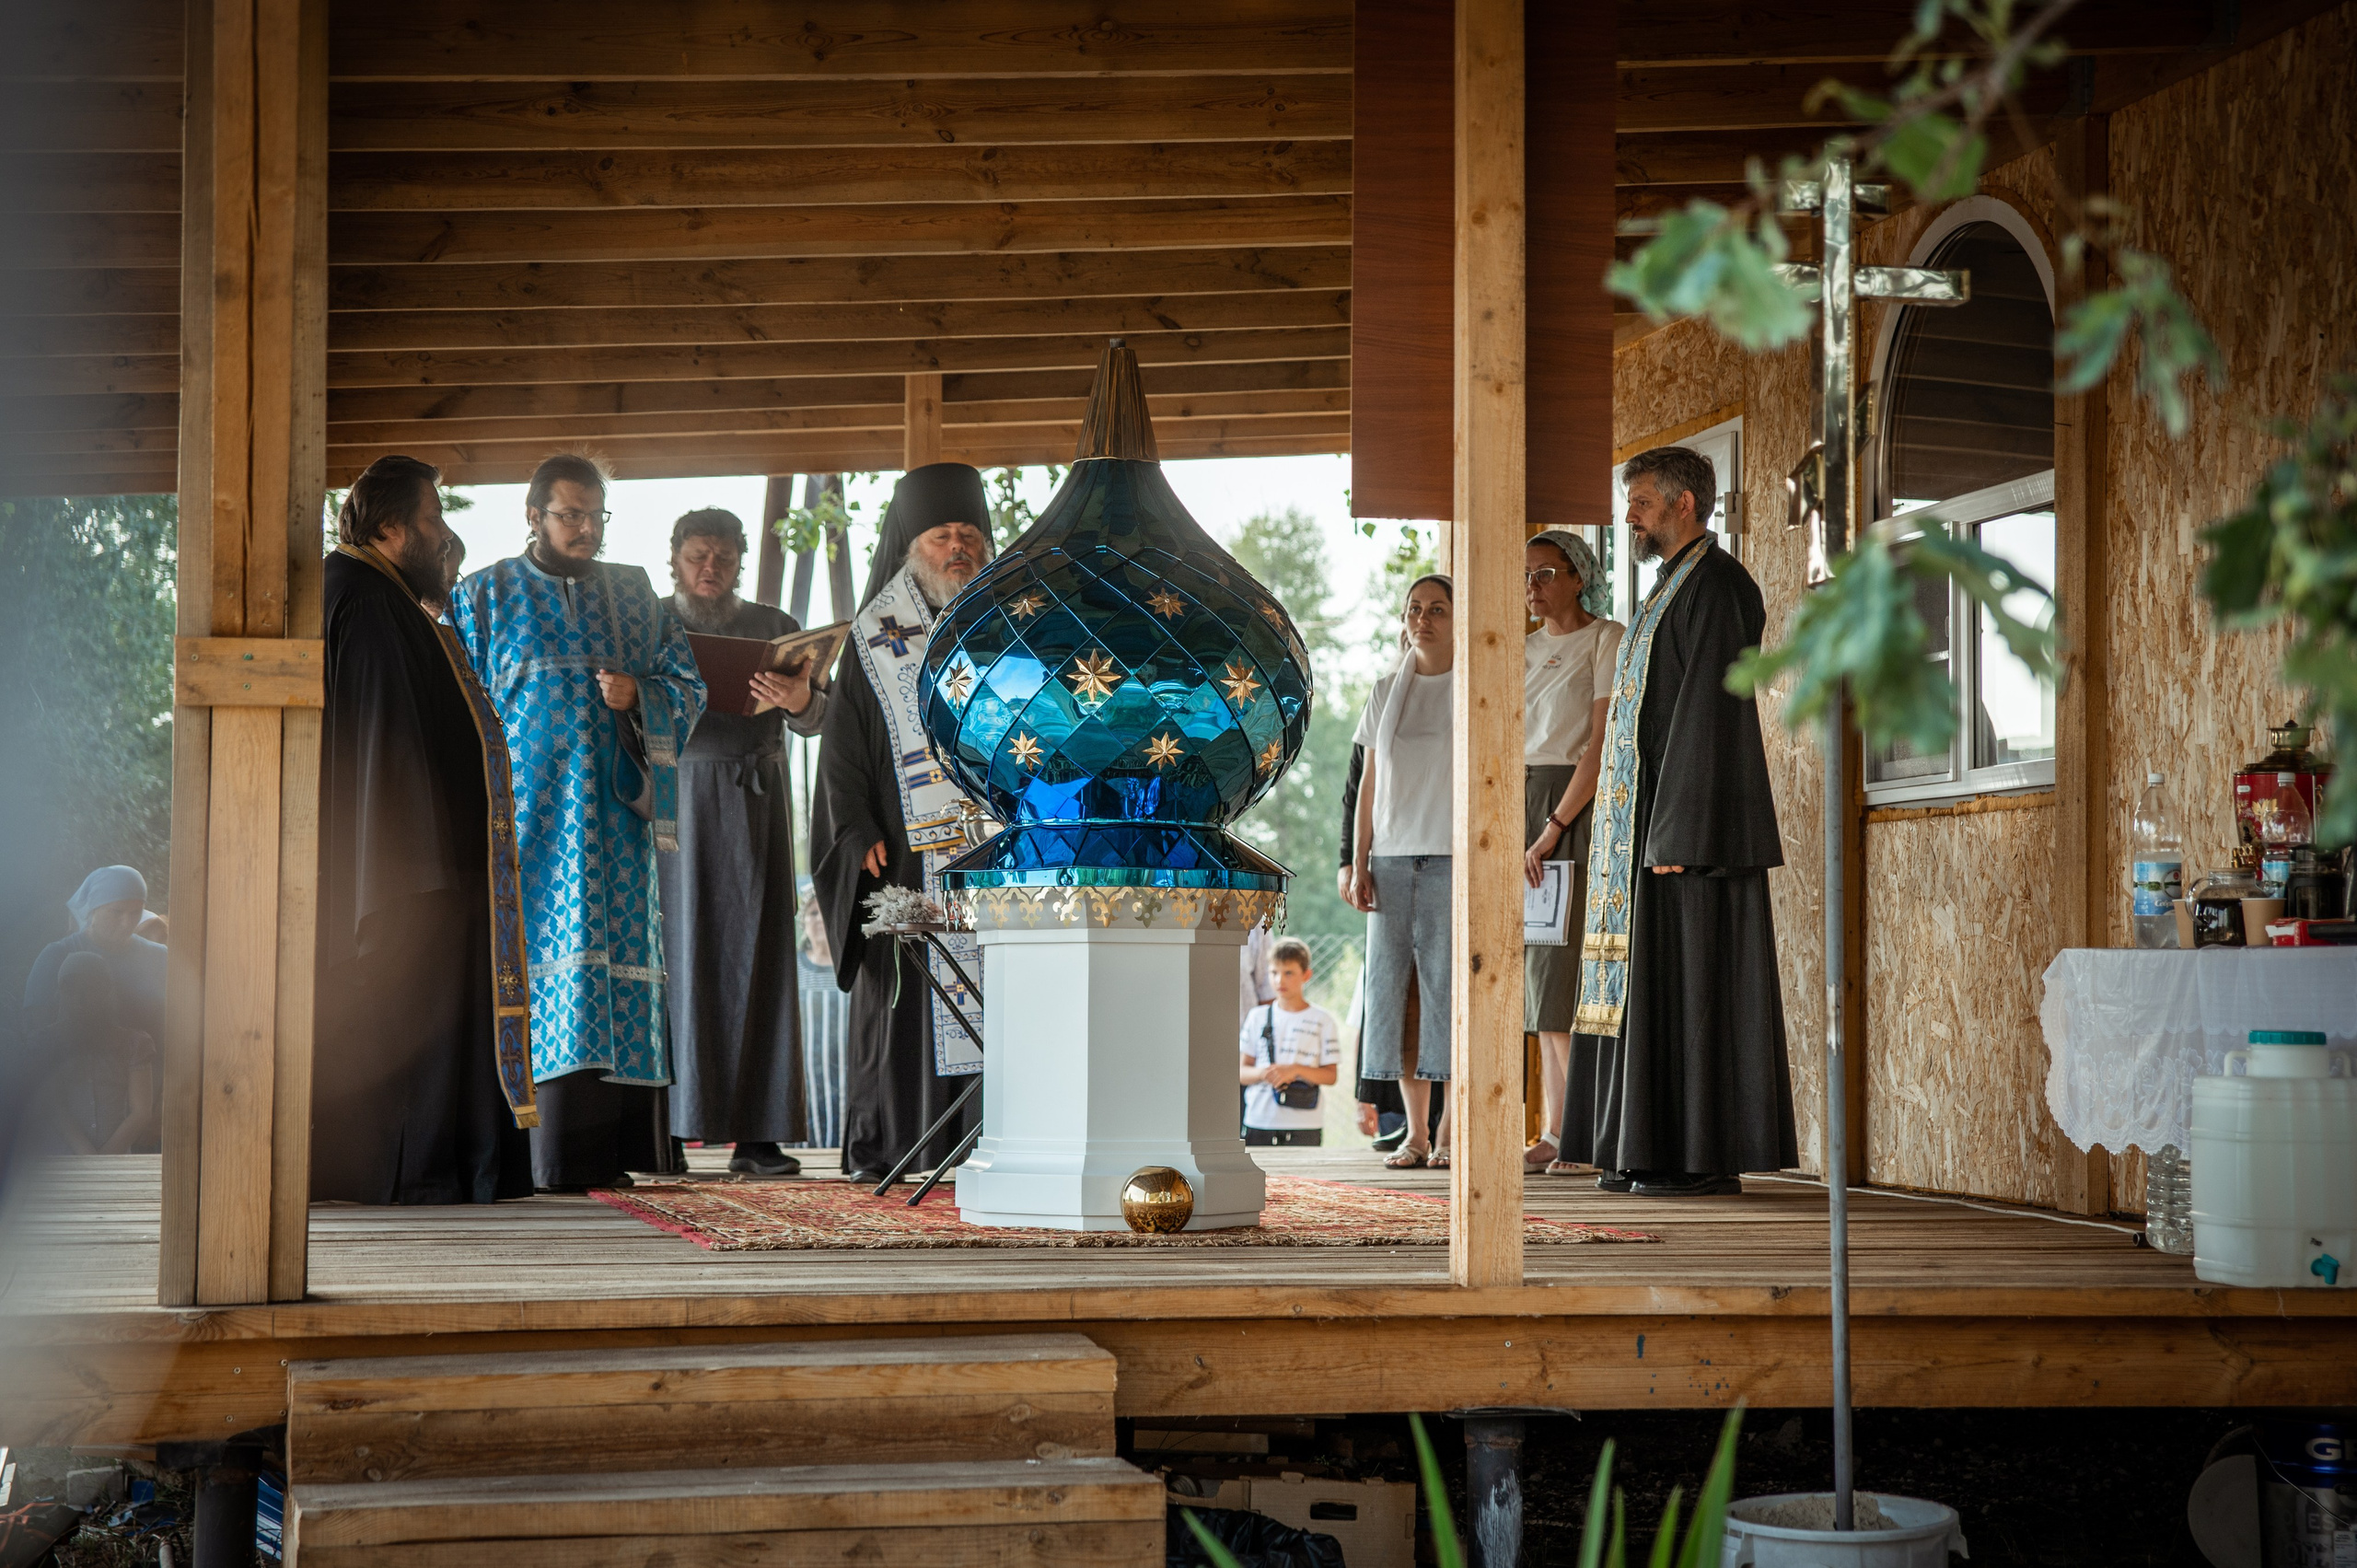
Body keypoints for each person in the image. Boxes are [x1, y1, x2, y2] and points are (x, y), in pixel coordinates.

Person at [448, 452, 707, 1192]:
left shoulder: (634, 591)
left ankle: (609, 1149)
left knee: (611, 973)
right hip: (522, 826)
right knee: (534, 973)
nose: (587, 528)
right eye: (571, 514)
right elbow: (452, 705)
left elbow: (687, 683)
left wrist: (641, 697)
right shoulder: (484, 595)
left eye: (597, 515)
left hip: (613, 825)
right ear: (533, 515)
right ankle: (535, 1153)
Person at [315, 454, 536, 1204]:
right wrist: (411, 877)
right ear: (388, 527)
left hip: (419, 868)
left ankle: (446, 1167)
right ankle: (424, 1173)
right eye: (434, 518)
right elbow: (387, 747)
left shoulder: (374, 593)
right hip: (409, 878)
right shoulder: (368, 600)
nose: (445, 536)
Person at [1580, 446, 1796, 1197]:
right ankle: (1640, 1146)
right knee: (1651, 984)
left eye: (1640, 500)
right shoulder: (1670, 585)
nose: (1629, 513)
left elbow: (1710, 713)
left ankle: (1694, 1156)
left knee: (1691, 984)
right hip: (1647, 824)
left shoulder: (1721, 585)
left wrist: (1678, 827)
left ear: (1682, 503)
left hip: (1688, 832)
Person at [810, 463, 995, 1185]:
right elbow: (842, 746)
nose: (958, 546)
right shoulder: (872, 633)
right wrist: (854, 829)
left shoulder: (1004, 623)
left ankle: (986, 1138)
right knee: (909, 993)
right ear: (911, 544)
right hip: (907, 848)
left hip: (990, 854)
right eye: (942, 534)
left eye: (969, 534)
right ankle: (902, 1139)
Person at [658, 507, 830, 1178]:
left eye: (724, 558)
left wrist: (795, 699)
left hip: (756, 803)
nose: (711, 569)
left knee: (759, 956)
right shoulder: (649, 619)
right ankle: (666, 1128)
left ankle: (758, 1136)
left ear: (739, 564)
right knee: (677, 957)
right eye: (699, 555)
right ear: (675, 556)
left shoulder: (775, 626)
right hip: (675, 801)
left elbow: (820, 715)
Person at [1520, 529, 1625, 1177]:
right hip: (1524, 801)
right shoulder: (1521, 648)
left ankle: (1580, 1133)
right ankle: (1555, 1127)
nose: (1533, 587)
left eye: (1545, 574)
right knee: (1537, 977)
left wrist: (1556, 823)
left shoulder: (1603, 638)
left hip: (1572, 805)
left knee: (1565, 975)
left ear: (1578, 576)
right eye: (1527, 576)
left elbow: (1600, 741)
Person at [1345, 575, 1457, 1169]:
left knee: (1448, 994)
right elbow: (1368, 783)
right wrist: (1358, 858)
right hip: (1389, 858)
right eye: (1416, 609)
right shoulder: (1387, 689)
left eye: (1438, 609)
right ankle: (1415, 1133)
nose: (1424, 619)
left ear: (1458, 619)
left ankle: (1450, 1132)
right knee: (1400, 997)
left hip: (1449, 856)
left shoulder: (1473, 688)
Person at [14, 951, 158, 1159]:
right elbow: (53, 1106)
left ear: (105, 991)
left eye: (90, 988)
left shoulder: (135, 1044)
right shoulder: (44, 1044)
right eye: (71, 988)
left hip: (114, 1164)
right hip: (57, 1163)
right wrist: (89, 1157)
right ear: (60, 992)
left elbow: (141, 1112)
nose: (80, 998)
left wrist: (102, 1159)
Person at [24, 865, 168, 1042]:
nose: (127, 923)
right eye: (117, 912)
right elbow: (36, 1031)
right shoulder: (57, 956)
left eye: (135, 913)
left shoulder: (160, 958)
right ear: (94, 909)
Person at [1238, 937, 1341, 1147]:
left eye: (1288, 973)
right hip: (1259, 1120)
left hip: (1305, 1124)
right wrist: (1264, 1073)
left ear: (1306, 975)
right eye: (1274, 973)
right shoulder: (1257, 1017)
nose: (1279, 981)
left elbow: (1330, 1075)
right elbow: (1241, 1072)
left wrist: (1294, 1070)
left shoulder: (1323, 1020)